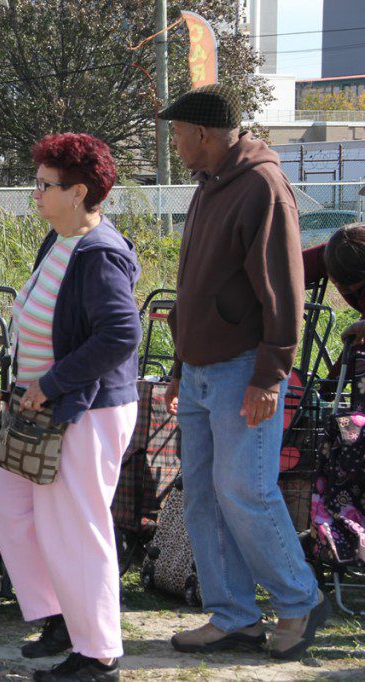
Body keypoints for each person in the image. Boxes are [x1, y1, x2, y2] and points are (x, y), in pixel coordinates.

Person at [161, 84, 330, 660]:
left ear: (203, 134)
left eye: (178, 132)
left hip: (242, 371)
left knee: (245, 492)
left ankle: (299, 602)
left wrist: (269, 374)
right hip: (203, 371)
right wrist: (181, 365)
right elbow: (192, 283)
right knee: (204, 496)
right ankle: (234, 615)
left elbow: (285, 289)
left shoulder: (261, 186)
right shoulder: (208, 187)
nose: (175, 143)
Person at [0, 133, 141, 682]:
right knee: (8, 504)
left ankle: (97, 655)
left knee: (78, 529)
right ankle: (60, 617)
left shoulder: (98, 253)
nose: (36, 195)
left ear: (77, 192)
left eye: (44, 186)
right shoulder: (60, 240)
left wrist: (51, 383)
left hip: (86, 412)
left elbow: (121, 334)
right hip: (48, 411)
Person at [304, 224, 365, 345]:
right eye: (335, 280)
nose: (340, 287)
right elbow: (287, 269)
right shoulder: (339, 252)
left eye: (348, 284)